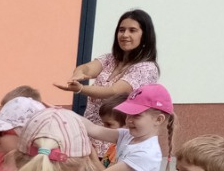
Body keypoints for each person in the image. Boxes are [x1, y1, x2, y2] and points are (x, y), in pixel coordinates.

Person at [56, 9, 160, 153]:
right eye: (121, 30)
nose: (125, 35)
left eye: (132, 30)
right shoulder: (110, 58)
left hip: (113, 140)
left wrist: (81, 89)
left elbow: (113, 92)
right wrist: (78, 74)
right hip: (90, 134)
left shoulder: (147, 68)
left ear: (145, 36)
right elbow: (87, 68)